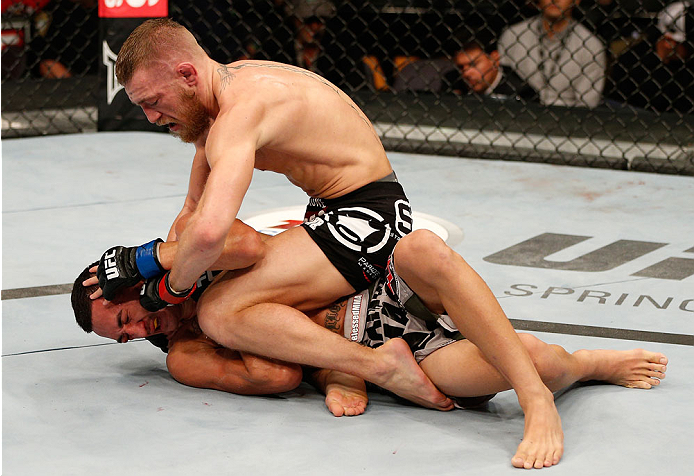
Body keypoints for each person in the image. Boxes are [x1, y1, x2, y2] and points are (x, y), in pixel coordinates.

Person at [96, 18, 584, 468]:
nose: (150, 116)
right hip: (342, 212)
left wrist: (163, 289)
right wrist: (159, 260)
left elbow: (209, 234)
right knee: (230, 304)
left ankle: (518, 395)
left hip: (365, 219)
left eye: (151, 101)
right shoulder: (224, 94)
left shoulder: (241, 114)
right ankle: (353, 367)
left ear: (186, 74)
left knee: (221, 312)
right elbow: (190, 213)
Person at [74, 227, 668, 468]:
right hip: (376, 342)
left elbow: (252, 242)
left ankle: (560, 385)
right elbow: (273, 376)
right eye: (121, 337)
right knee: (533, 359)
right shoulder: (186, 353)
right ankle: (584, 364)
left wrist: (167, 264)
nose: (134, 334)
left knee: (421, 247)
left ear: (137, 287)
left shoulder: (198, 262)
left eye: (125, 316)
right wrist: (333, 366)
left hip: (380, 282)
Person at [498, 0, 606, 108]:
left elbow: (586, 105)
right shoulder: (512, 36)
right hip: (517, 113)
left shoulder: (591, 46)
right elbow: (501, 87)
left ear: (576, 1)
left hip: (567, 118)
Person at [607, 1, 693, 114]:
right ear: (668, 41)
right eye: (688, 48)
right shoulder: (633, 64)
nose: (690, 53)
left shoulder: (688, 67)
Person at [453, 41, 537, 100]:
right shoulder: (453, 83)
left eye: (474, 64)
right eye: (461, 67)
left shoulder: (521, 93)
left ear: (494, 59)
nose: (466, 73)